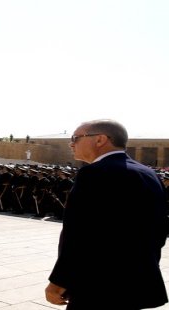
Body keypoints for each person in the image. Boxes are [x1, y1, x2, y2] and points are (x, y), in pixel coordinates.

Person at [45, 119, 168, 309]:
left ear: (100, 139)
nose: (71, 143)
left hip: (98, 285)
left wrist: (59, 280)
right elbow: (159, 231)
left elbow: (78, 234)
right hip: (137, 282)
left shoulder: (94, 173)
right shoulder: (149, 174)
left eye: (76, 138)